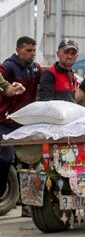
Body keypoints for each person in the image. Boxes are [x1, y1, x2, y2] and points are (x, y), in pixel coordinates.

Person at [1, 37, 42, 198]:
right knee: (5, 157)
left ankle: (28, 202)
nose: (32, 54)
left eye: (34, 50)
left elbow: (49, 76)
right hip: (5, 122)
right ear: (18, 50)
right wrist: (8, 88)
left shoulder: (36, 69)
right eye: (28, 50)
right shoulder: (8, 66)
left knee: (33, 161)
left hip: (25, 123)